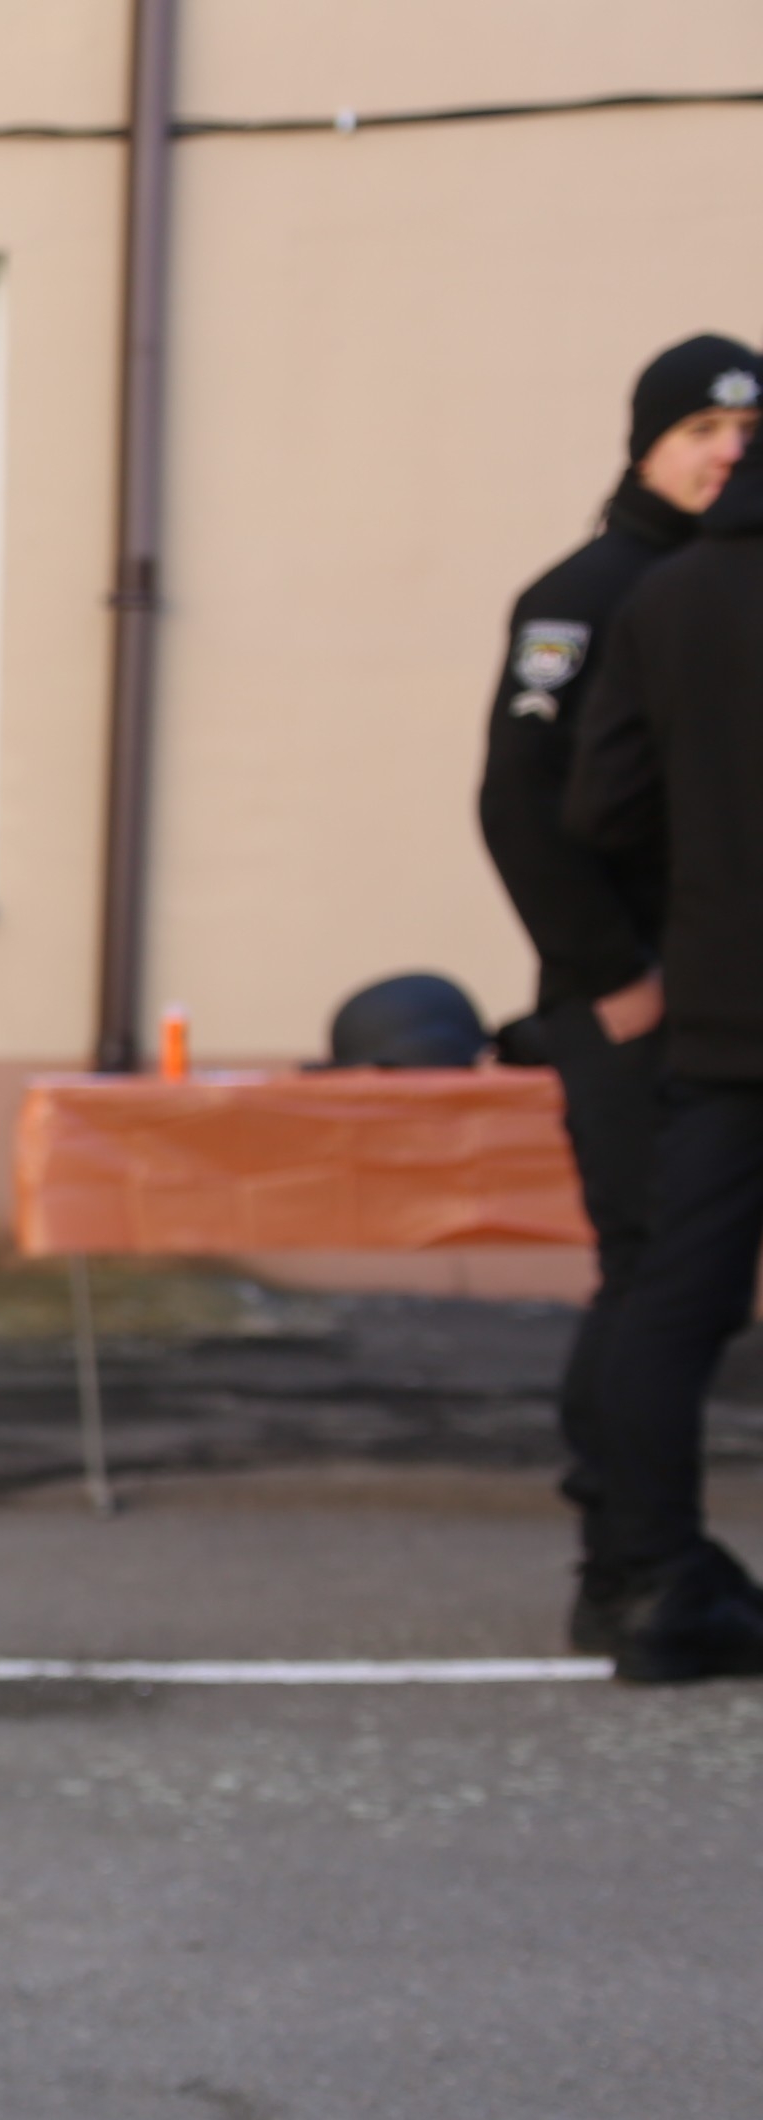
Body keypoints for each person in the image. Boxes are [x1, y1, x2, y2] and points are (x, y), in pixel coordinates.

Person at [476, 333, 760, 1650]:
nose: (724, 455)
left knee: (663, 1272)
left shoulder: (699, 584)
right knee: (655, 1270)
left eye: (742, 439)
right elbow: (524, 811)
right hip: (643, 996)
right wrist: (612, 977)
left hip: (705, 988)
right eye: (699, 431)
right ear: (646, 442)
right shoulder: (589, 595)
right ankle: (627, 1546)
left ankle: (630, 1545)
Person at [566, 349, 763, 1683]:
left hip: (725, 1023)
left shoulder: (670, 599)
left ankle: (646, 1580)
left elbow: (598, 812)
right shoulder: (596, 593)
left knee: (669, 1307)